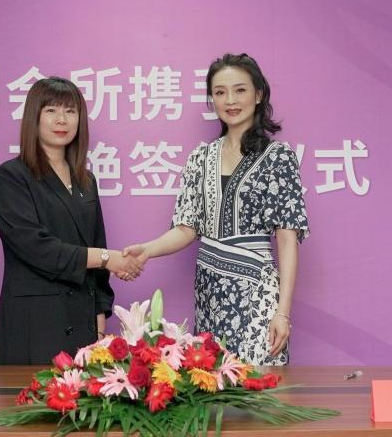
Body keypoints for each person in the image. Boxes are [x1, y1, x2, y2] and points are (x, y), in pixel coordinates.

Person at [123, 54, 308, 365]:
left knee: (260, 383)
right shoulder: (201, 157)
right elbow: (186, 229)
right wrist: (147, 250)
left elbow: (287, 239)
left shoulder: (278, 157)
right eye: (220, 92)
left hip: (257, 292)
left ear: (258, 94)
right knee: (209, 380)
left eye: (240, 90)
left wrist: (282, 313)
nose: (230, 100)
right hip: (209, 291)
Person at [0, 77, 143, 365]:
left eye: (70, 111)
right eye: (51, 110)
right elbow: (37, 248)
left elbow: (97, 243)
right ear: (34, 117)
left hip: (83, 326)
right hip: (35, 326)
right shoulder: (10, 177)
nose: (62, 120)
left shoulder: (86, 180)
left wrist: (99, 319)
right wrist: (107, 258)